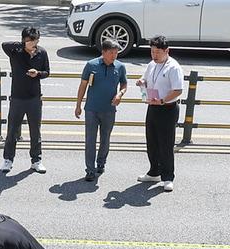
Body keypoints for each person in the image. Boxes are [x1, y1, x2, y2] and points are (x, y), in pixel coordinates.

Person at [75, 38, 128, 183]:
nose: (114, 56)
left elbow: (124, 84)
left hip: (109, 110)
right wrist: (78, 105)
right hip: (92, 109)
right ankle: (90, 170)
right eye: (111, 53)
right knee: (90, 140)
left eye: (116, 53)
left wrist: (120, 94)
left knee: (105, 139)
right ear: (103, 52)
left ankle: (101, 163)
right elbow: (83, 85)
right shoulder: (91, 65)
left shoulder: (120, 67)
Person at [0, 27, 50, 174]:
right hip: (17, 97)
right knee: (12, 131)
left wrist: (38, 73)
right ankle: (8, 160)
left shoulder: (42, 52)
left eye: (36, 40)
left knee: (35, 131)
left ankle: (36, 160)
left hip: (34, 97)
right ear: (24, 40)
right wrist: (23, 45)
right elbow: (4, 44)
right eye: (31, 41)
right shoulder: (16, 52)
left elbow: (47, 72)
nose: (34, 44)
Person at [136, 37, 183, 192]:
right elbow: (146, 79)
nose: (154, 55)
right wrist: (142, 82)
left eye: (157, 52)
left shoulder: (173, 67)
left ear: (166, 51)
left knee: (166, 144)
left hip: (167, 108)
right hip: (152, 105)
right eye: (152, 51)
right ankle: (154, 171)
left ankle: (168, 177)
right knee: (152, 141)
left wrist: (162, 100)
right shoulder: (151, 64)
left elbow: (178, 90)